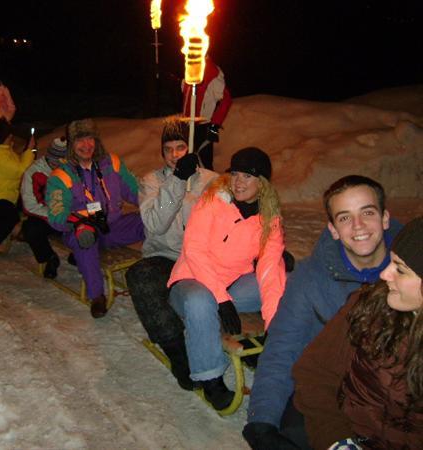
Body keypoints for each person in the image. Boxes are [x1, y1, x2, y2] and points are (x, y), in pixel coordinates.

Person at [243, 175, 403, 450]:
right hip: (331, 391)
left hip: (396, 397)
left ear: (385, 218)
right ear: (332, 229)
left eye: (367, 212)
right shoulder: (311, 279)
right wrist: (262, 420)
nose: (358, 226)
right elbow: (283, 347)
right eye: (344, 218)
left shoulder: (411, 271)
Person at [167, 147, 287, 410]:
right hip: (191, 280)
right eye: (235, 174)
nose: (238, 182)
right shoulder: (212, 200)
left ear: (262, 183)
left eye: (247, 176)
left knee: (280, 278)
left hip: (233, 285)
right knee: (201, 302)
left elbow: (268, 269)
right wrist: (221, 299)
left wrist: (274, 322)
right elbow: (194, 250)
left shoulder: (269, 219)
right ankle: (209, 376)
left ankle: (261, 338)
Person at [293, 216, 423, 450]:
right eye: (391, 262)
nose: (385, 274)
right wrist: (336, 440)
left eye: (401, 270)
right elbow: (315, 372)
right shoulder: (370, 306)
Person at [125, 117, 221, 390]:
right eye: (168, 149)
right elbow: (156, 225)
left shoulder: (212, 181)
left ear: (190, 148)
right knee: (141, 277)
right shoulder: (152, 182)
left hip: (203, 259)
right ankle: (176, 350)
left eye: (180, 147)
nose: (174, 155)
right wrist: (177, 181)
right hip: (166, 255)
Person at [45, 119, 144, 319]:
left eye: (90, 139)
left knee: (150, 220)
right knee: (86, 240)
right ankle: (97, 295)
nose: (86, 145)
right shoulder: (61, 177)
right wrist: (81, 221)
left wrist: (160, 205)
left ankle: (167, 273)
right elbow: (56, 217)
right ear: (71, 145)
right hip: (82, 230)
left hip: (113, 226)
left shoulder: (112, 163)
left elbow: (136, 193)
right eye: (80, 140)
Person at [0, 118, 35, 257]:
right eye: (10, 134)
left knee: (29, 207)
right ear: (6, 137)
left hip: (7, 195)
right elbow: (20, 170)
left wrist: (27, 150)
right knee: (10, 217)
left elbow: (17, 165)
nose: (12, 136)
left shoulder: (2, 151)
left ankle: (21, 232)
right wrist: (29, 151)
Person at [20, 137, 68, 278]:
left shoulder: (70, 171)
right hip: (45, 216)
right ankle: (49, 258)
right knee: (30, 229)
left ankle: (79, 258)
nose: (57, 166)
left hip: (67, 215)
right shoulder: (34, 173)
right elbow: (30, 206)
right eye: (55, 163)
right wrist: (55, 215)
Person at [181, 55, 232, 171]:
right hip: (187, 125)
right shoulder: (191, 67)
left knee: (202, 165)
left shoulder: (211, 70)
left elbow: (226, 100)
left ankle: (209, 188)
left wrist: (214, 125)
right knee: (187, 163)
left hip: (202, 126)